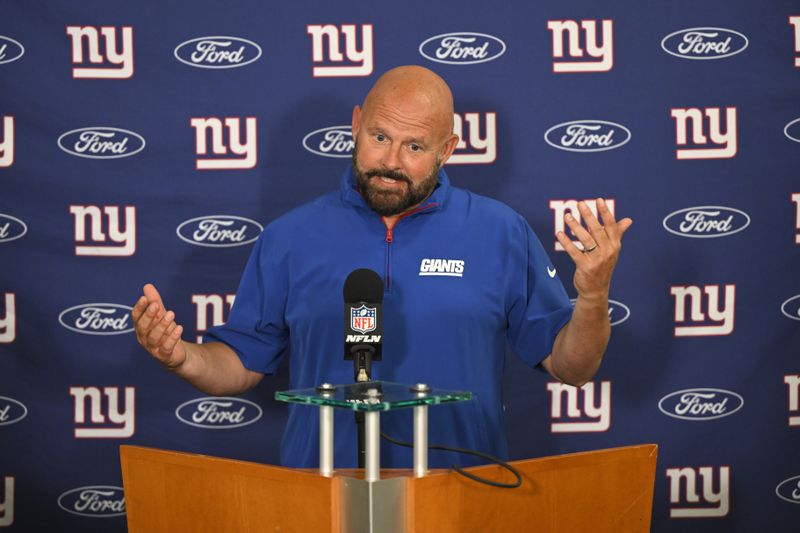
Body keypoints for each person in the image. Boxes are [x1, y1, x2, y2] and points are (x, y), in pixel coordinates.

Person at [132, 65, 632, 468]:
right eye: (378, 136)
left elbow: (572, 367)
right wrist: (184, 358)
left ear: (447, 150)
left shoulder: (502, 232)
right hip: (324, 496)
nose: (390, 160)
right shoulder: (289, 237)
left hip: (459, 500)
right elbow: (241, 362)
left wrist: (592, 298)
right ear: (355, 125)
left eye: (414, 147)